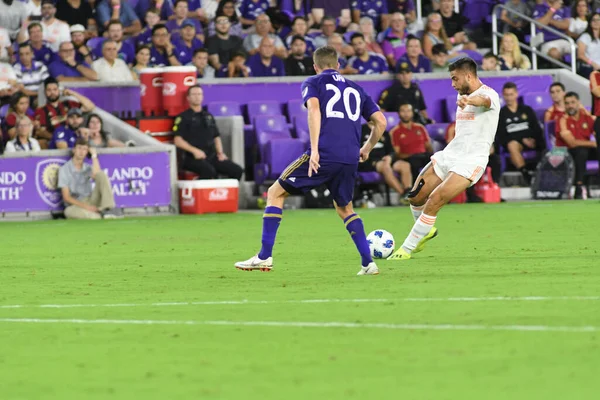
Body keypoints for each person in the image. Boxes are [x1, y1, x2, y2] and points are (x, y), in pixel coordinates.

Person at [234, 45, 387, 276]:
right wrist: (366, 148)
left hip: (325, 152)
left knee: (275, 193)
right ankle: (368, 264)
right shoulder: (356, 88)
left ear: (315, 67)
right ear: (338, 65)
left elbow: (313, 110)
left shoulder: (313, 82)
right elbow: (381, 122)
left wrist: (315, 149)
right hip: (349, 157)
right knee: (345, 208)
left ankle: (264, 257)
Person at [387, 57, 500, 261]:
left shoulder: (489, 94)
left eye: (455, 79)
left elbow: (484, 101)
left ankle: (406, 249)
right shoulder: (461, 95)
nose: (452, 84)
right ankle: (426, 231)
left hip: (471, 161)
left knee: (435, 199)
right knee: (415, 196)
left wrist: (470, 100)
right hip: (451, 154)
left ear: (468, 76)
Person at [173, 85, 243, 180]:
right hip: (192, 158)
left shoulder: (208, 116)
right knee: (209, 171)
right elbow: (178, 141)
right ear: (188, 98)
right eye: (194, 94)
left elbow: (216, 136)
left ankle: (225, 193)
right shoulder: (183, 117)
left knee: (237, 170)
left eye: (199, 94)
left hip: (212, 156)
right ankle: (200, 193)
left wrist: (220, 153)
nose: (197, 96)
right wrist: (195, 151)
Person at [58, 137, 123, 219]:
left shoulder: (87, 167)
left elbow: (98, 175)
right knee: (68, 212)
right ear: (74, 150)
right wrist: (86, 207)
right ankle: (101, 215)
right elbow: (66, 197)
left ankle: (108, 209)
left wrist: (94, 155)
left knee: (102, 174)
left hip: (91, 199)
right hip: (76, 204)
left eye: (84, 149)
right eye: (79, 148)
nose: (81, 152)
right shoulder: (65, 169)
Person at [496, 82, 543, 184]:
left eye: (511, 94)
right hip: (516, 143)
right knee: (512, 145)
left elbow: (536, 128)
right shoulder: (501, 114)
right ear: (503, 95)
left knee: (543, 141)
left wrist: (531, 139)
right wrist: (522, 139)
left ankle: (545, 173)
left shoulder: (527, 110)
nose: (508, 98)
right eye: (506, 95)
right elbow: (503, 136)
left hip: (531, 141)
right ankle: (525, 173)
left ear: (516, 94)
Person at [557, 91, 599, 199]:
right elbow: (572, 143)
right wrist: (593, 143)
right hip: (568, 153)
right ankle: (579, 186)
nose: (570, 106)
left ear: (578, 103)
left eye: (573, 102)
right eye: (567, 103)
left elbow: (596, 130)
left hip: (587, 149)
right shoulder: (562, 120)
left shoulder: (586, 116)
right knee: (581, 152)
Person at [358, 121, 412, 198]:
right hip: (369, 161)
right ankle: (403, 195)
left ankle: (408, 191)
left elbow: (391, 150)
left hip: (385, 159)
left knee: (405, 165)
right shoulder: (360, 130)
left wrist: (390, 157)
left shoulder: (384, 131)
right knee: (385, 167)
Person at [389, 102, 434, 182]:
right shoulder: (394, 132)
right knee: (414, 162)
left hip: (423, 156)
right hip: (409, 158)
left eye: (408, 111)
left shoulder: (420, 127)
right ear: (398, 113)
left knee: (435, 160)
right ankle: (416, 190)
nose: (406, 114)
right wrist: (412, 155)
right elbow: (397, 153)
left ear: (412, 113)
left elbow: (428, 146)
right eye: (403, 111)